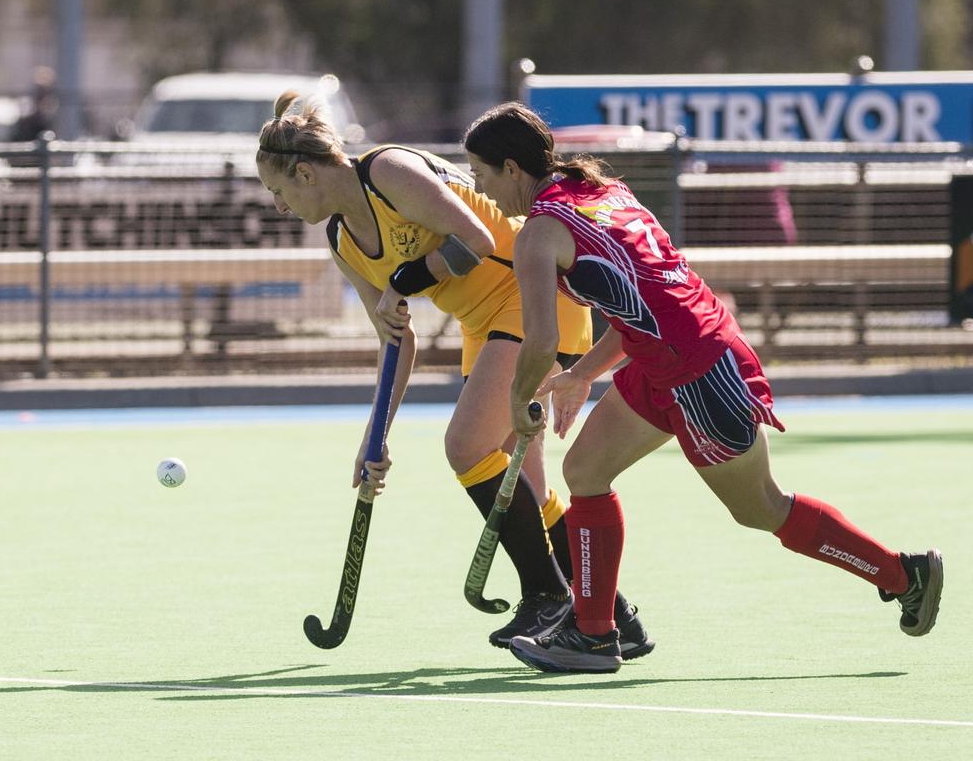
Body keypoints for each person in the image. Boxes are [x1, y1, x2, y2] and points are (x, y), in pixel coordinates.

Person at [462, 101, 944, 674]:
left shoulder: (539, 233)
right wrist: (580, 376)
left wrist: (521, 403)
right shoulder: (603, 191)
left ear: (512, 169)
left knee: (761, 507)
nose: (481, 189)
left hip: (700, 372)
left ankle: (901, 573)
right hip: (664, 357)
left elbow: (539, 339)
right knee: (585, 471)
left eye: (481, 175)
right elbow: (641, 303)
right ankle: (594, 633)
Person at [256, 92, 654, 658]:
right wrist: (378, 437)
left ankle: (546, 594)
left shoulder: (388, 170)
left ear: (305, 173)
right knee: (528, 489)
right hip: (482, 323)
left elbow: (479, 240)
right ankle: (612, 616)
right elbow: (397, 335)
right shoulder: (342, 239)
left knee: (467, 446)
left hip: (532, 296)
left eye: (279, 192)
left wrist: (407, 279)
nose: (279, 206)